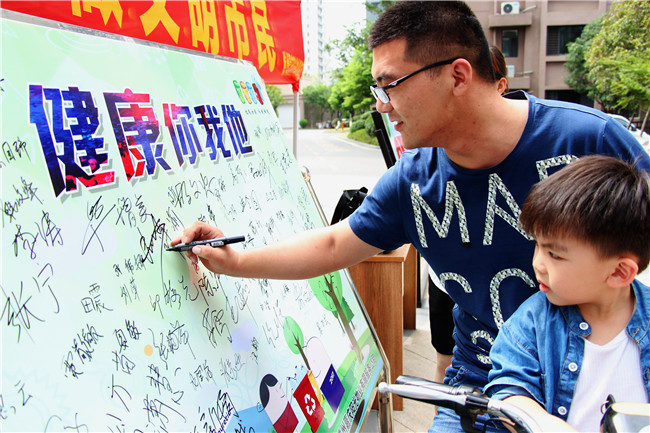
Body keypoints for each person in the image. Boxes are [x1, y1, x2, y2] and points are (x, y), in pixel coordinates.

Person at [173, 2, 650, 430]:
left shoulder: (589, 141)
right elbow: (335, 244)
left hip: (600, 387)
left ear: (458, 76)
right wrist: (236, 261)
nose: (381, 103)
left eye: (391, 84)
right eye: (377, 87)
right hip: (479, 393)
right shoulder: (413, 180)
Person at [484, 155, 650, 432]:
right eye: (537, 245)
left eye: (555, 255)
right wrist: (545, 424)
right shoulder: (533, 322)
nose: (537, 263)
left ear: (619, 272)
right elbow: (509, 391)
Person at [427, 44, 511, 398]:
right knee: (446, 363)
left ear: (500, 86)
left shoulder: (522, 144)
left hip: (502, 287)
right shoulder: (431, 148)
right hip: (446, 278)